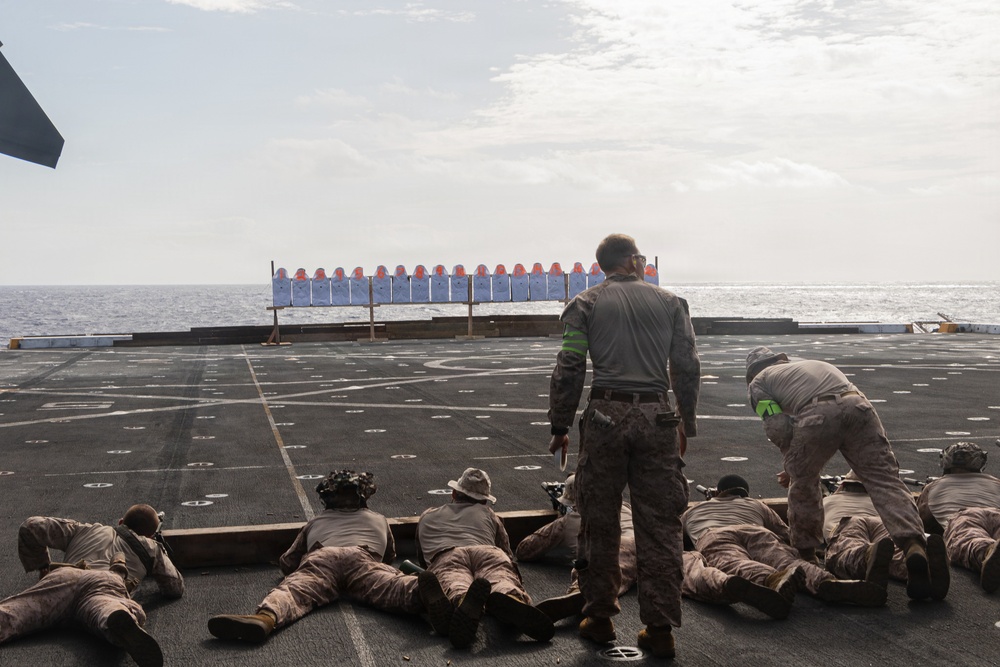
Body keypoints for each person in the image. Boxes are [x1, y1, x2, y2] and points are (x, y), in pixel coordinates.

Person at [547, 233, 700, 659]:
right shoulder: (672, 303)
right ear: (634, 261)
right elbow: (686, 364)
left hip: (605, 416)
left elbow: (571, 364)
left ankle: (599, 618)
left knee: (600, 519)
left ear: (602, 266)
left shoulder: (585, 304)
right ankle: (660, 628)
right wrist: (686, 420)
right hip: (658, 417)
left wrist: (560, 423)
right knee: (661, 525)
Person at [745, 346, 949, 601]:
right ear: (781, 359)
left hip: (818, 413)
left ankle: (807, 554)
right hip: (859, 405)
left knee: (804, 484)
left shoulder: (758, 383)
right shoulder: (810, 365)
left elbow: (776, 425)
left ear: (752, 372)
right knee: (884, 481)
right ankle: (913, 545)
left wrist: (793, 464)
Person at [208, 470, 453, 643]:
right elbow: (388, 556)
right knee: (393, 586)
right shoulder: (378, 519)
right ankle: (422, 594)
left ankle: (266, 618)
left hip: (323, 556)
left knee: (292, 592)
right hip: (363, 557)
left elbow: (288, 562)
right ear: (363, 496)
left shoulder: (316, 521)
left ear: (327, 498)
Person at [0, 504, 184, 667]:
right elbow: (175, 587)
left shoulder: (86, 529)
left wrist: (42, 567)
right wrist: (157, 555)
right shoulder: (151, 547)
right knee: (107, 611)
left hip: (67, 577)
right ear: (151, 534)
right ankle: (119, 620)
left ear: (121, 522)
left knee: (15, 613)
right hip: (108, 583)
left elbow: (31, 526)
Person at [682, 474, 886, 608]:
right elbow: (787, 534)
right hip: (756, 531)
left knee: (736, 563)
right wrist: (816, 552)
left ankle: (771, 579)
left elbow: (675, 538)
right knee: (789, 561)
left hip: (715, 534)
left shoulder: (694, 511)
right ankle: (826, 581)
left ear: (717, 493)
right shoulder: (755, 505)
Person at [415, 467, 554, 648]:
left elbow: (421, 556)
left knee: (454, 583)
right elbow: (506, 552)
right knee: (500, 577)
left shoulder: (428, 515)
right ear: (483, 501)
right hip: (486, 551)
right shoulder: (488, 514)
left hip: (447, 555)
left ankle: (461, 600)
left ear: (454, 492)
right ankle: (509, 595)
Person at [515, 474, 636, 621]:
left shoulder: (568, 521)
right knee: (618, 574)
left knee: (592, 567)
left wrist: (558, 522)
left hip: (615, 547)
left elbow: (524, 550)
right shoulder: (623, 507)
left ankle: (580, 591)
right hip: (641, 550)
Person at [917, 442, 1000, 593]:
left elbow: (923, 519)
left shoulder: (934, 486)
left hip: (963, 516)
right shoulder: (995, 482)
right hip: (996, 512)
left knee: (970, 539)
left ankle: (987, 551)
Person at [822, 471, 908, 588]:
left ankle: (867, 555)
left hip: (848, 523)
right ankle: (917, 564)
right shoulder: (883, 502)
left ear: (843, 485)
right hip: (881, 522)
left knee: (849, 550)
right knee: (896, 553)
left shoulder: (825, 502)